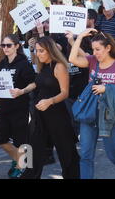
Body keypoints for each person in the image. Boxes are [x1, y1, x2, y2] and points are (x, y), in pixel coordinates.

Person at [68, 29, 115, 179]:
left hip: (109, 117)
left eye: (98, 49)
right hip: (89, 114)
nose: (95, 53)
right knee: (85, 155)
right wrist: (80, 37)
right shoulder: (92, 61)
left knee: (114, 155)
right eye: (93, 49)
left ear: (108, 48)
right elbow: (72, 58)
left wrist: (107, 89)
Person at [23, 36, 80, 179]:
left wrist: (50, 101)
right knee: (31, 149)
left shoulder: (59, 66)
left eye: (41, 51)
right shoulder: (42, 66)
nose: (38, 54)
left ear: (50, 50)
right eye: (36, 51)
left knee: (67, 154)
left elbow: (65, 93)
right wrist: (21, 91)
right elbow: (37, 83)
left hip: (57, 116)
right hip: (40, 116)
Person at [0, 34, 36, 178]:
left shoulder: (24, 64)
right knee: (0, 139)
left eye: (8, 45)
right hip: (3, 106)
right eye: (3, 45)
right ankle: (22, 161)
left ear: (17, 46)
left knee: (20, 141)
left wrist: (21, 91)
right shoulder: (2, 63)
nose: (5, 48)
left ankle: (22, 166)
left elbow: (34, 83)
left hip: (19, 107)